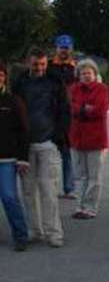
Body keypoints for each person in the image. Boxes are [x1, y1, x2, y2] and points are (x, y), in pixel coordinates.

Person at [12, 47, 69, 248]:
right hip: (25, 145)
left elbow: (64, 110)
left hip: (48, 143)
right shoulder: (19, 83)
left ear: (47, 63)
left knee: (48, 190)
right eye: (36, 64)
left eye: (43, 64)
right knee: (28, 191)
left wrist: (57, 136)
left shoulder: (54, 82)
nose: (39, 68)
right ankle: (34, 230)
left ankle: (54, 233)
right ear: (28, 62)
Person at [68, 59, 109, 219]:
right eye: (83, 73)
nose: (86, 76)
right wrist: (85, 109)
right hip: (76, 138)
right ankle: (79, 206)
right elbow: (69, 107)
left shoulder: (102, 89)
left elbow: (100, 110)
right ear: (78, 75)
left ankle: (90, 208)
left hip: (96, 139)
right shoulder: (73, 89)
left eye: (89, 73)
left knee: (94, 176)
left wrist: (80, 110)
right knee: (79, 175)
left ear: (95, 74)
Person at [0, 60, 30, 251]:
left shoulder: (13, 101)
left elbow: (23, 131)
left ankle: (20, 235)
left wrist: (23, 158)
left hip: (7, 160)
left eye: (0, 75)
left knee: (9, 197)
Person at [49, 34, 78, 199]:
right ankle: (50, 186)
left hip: (69, 114)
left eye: (66, 48)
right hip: (51, 113)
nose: (64, 51)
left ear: (71, 49)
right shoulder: (48, 66)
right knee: (51, 153)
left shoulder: (75, 68)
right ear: (57, 48)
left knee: (67, 152)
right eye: (61, 47)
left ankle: (69, 188)